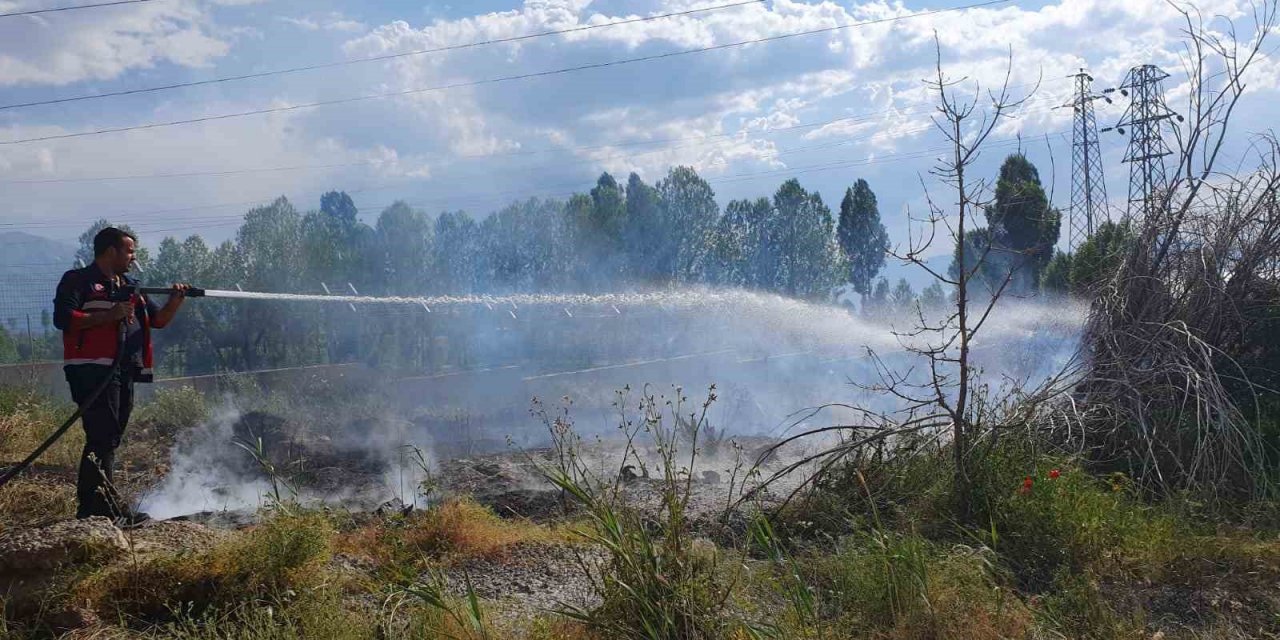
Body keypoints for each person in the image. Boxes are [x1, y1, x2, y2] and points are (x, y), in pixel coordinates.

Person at [52, 227, 189, 526]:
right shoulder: (78, 281)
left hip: (124, 370)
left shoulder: (130, 286)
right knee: (103, 433)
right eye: (129, 251)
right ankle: (101, 508)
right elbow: (63, 319)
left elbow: (159, 320)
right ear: (110, 251)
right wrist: (109, 315)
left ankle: (95, 506)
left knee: (109, 436)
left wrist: (176, 299)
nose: (133, 257)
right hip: (91, 369)